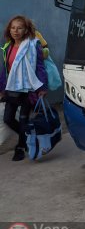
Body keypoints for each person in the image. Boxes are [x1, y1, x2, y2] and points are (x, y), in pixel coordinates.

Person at [0, 15, 48, 161]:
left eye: (19, 28)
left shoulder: (33, 45)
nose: (16, 31)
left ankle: (20, 147)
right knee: (8, 119)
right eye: (13, 28)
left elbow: (40, 67)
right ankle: (29, 136)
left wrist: (42, 87)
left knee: (23, 120)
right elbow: (5, 69)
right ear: (9, 29)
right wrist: (1, 89)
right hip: (11, 89)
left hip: (27, 90)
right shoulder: (7, 46)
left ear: (26, 29)